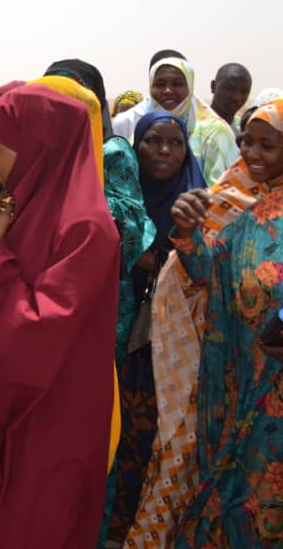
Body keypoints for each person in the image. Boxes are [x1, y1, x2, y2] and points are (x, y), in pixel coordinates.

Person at [0, 83, 120, 549]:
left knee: (39, 521)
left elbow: (37, 330)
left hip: (53, 414)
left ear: (38, 148)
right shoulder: (22, 208)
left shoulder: (87, 228)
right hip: (13, 404)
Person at [126, 97, 283, 548]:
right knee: (235, 488)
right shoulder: (237, 204)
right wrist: (189, 235)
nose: (251, 154)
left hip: (275, 381)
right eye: (246, 142)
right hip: (234, 376)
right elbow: (207, 276)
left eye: (266, 145)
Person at [40, 60, 156, 546]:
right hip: (51, 312)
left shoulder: (113, 154)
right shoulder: (49, 151)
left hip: (102, 313)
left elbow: (123, 238)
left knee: (93, 428)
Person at [102, 111, 206, 544]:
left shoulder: (200, 201)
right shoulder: (116, 201)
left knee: (157, 438)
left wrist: (175, 246)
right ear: (136, 145)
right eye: (153, 141)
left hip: (174, 347)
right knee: (116, 435)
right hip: (118, 341)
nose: (164, 151)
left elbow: (207, 268)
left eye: (175, 143)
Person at [113, 55, 238, 184]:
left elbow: (227, 191)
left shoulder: (215, 133)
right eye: (160, 84)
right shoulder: (136, 125)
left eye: (177, 84)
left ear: (190, 87)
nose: (168, 90)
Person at [209, 62, 253, 132]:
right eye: (230, 89)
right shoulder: (192, 125)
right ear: (213, 86)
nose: (236, 98)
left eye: (244, 92)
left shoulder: (244, 131)